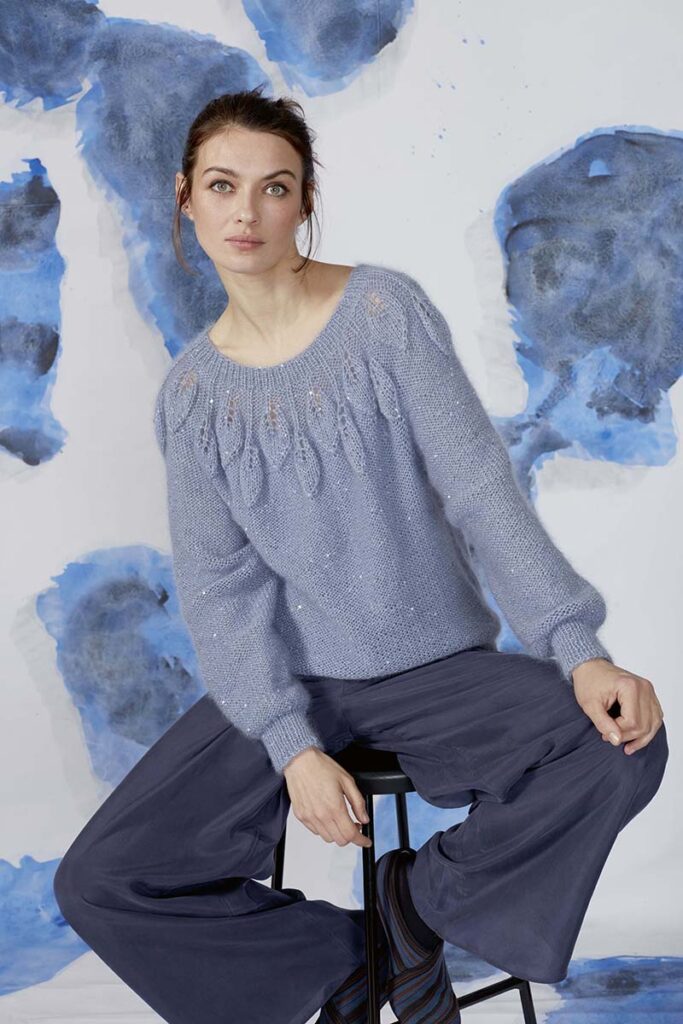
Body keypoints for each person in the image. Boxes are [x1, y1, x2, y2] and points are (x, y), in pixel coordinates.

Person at [53, 86, 668, 1024]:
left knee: (621, 744)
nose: (246, 212)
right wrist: (291, 745)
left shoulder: (381, 312)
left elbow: (479, 491)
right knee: (100, 878)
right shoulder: (192, 399)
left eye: (274, 187)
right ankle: (347, 966)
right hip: (291, 685)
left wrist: (577, 648)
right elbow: (221, 592)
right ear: (185, 197)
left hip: (433, 669)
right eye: (221, 186)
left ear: (304, 200)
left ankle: (413, 907)